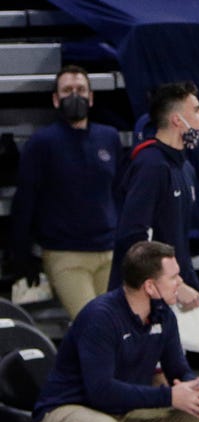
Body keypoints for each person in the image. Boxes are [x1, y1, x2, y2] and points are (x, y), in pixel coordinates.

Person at [32, 241, 199, 422]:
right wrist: (170, 396)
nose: (180, 282)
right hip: (64, 413)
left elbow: (178, 369)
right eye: (173, 277)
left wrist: (193, 391)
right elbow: (101, 391)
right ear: (150, 287)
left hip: (122, 415)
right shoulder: (100, 318)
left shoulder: (163, 315)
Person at [10, 64, 121, 318]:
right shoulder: (41, 143)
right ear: (56, 99)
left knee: (114, 328)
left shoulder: (109, 137)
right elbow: (25, 201)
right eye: (67, 90)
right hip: (66, 254)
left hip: (108, 250)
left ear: (91, 97)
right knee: (94, 324)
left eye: (81, 89)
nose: (75, 95)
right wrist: (21, 256)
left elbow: (119, 192)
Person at [108, 81, 199, 309]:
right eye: (196, 110)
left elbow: (177, 240)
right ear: (176, 120)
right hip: (142, 298)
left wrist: (189, 283)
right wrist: (173, 284)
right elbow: (133, 237)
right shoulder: (151, 165)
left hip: (168, 293)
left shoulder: (185, 169)